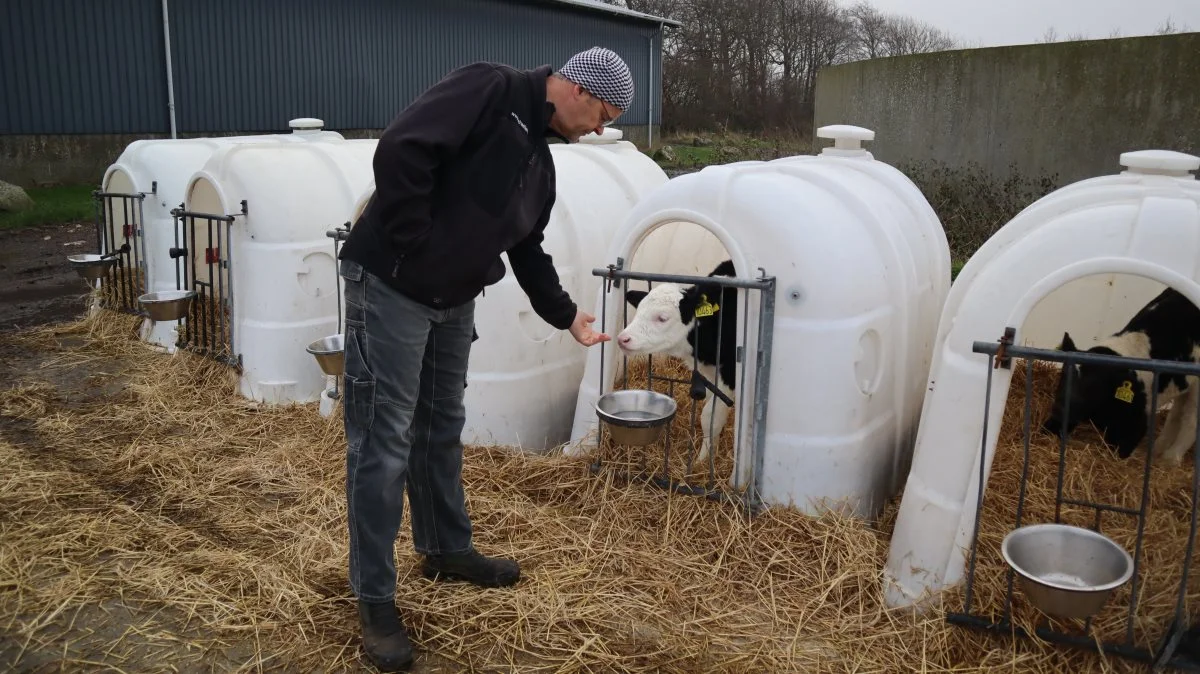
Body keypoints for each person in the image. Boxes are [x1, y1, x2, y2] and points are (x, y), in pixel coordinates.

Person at [335, 46, 634, 671]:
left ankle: (445, 550)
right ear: (576, 89)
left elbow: (527, 247)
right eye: (603, 113)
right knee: (382, 440)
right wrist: (419, 245)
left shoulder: (541, 165)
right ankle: (376, 598)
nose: (602, 128)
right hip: (393, 283)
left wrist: (565, 314)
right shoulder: (490, 90)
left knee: (440, 426)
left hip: (453, 300)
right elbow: (401, 150)